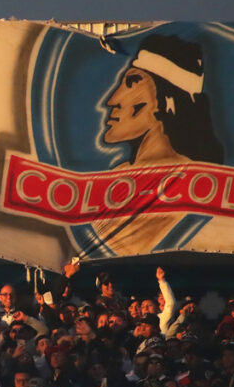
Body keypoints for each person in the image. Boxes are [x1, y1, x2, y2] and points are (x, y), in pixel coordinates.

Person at [94, 34, 224, 255]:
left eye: (132, 83)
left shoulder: (189, 182)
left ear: (164, 102)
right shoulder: (117, 175)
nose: (112, 100)